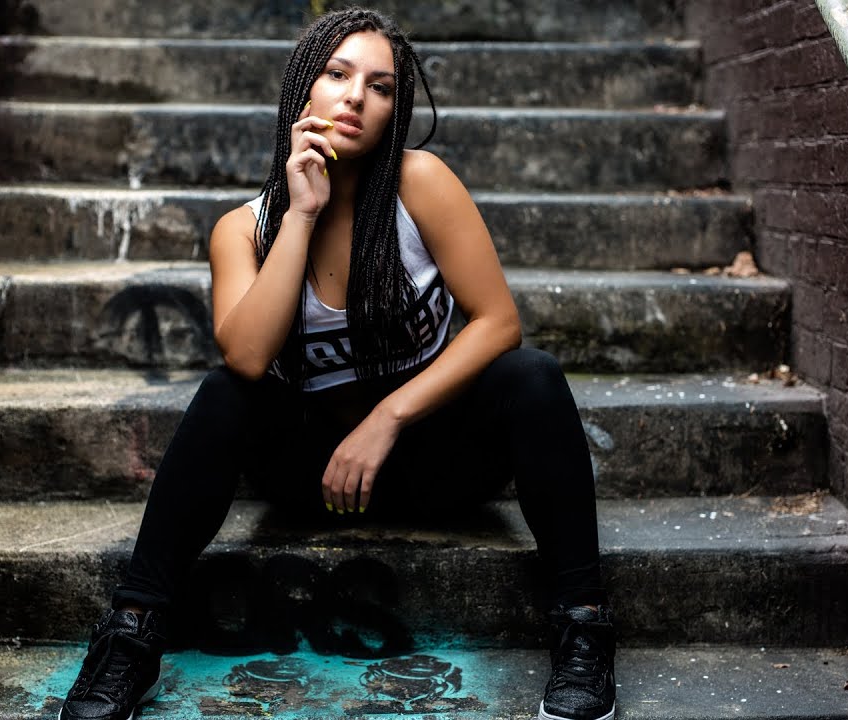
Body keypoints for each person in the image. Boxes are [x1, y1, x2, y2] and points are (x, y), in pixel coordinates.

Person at [57, 8, 616, 720]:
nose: (356, 97)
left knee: (533, 376)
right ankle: (132, 633)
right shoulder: (243, 229)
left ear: (394, 110)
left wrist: (388, 418)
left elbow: (498, 322)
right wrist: (300, 213)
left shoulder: (421, 184)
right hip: (312, 475)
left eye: (380, 87)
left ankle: (583, 626)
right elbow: (247, 357)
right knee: (225, 392)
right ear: (303, 89)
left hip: (434, 462)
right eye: (337, 74)